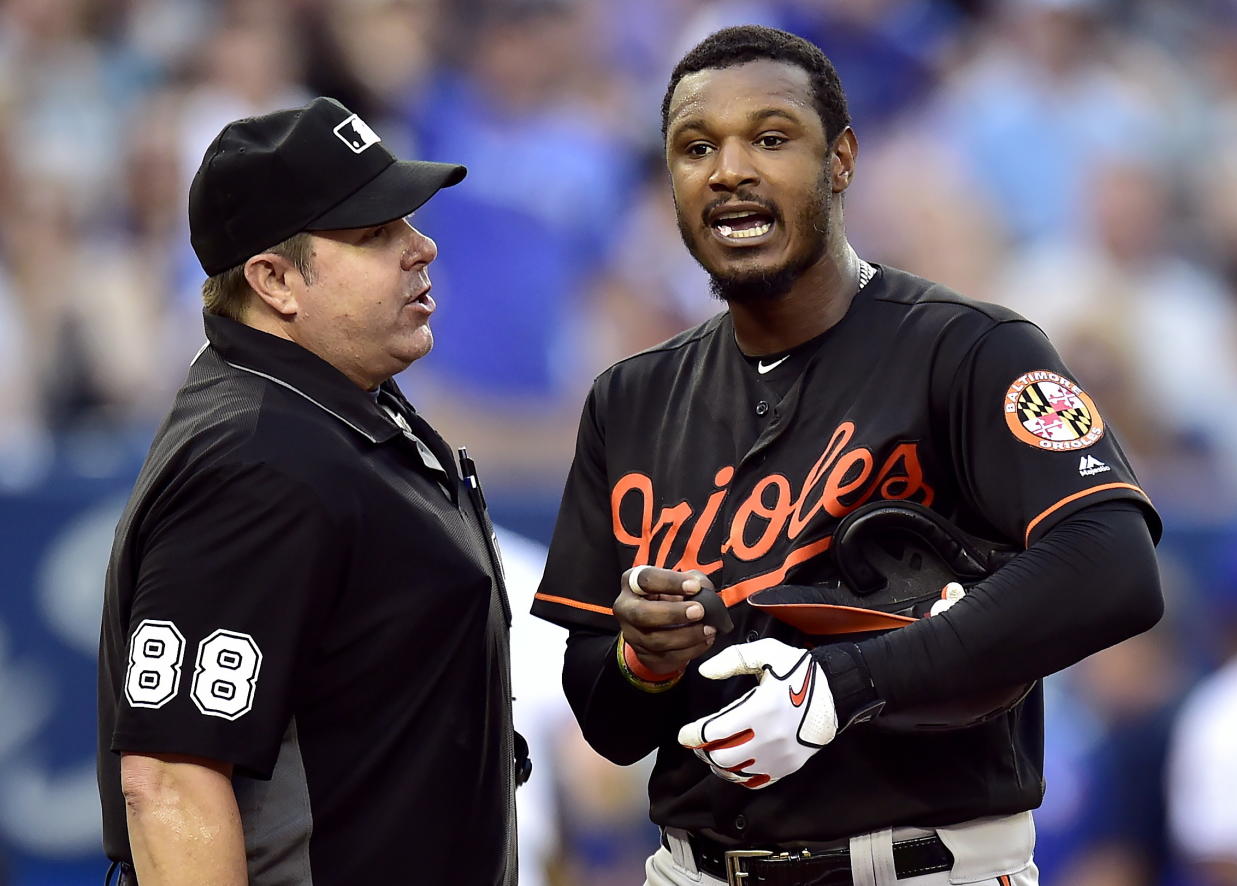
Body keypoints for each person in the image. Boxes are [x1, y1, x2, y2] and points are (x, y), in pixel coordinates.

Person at [530, 25, 1163, 886]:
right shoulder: (629, 399)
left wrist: (845, 683)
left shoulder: (971, 349)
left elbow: (1113, 566)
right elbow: (607, 718)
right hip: (695, 869)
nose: (729, 169)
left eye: (772, 137)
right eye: (695, 147)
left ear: (842, 161)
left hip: (922, 866)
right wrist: (647, 657)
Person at [97, 96, 521, 886]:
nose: (421, 247)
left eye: (410, 222)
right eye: (375, 234)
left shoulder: (333, 405)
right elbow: (169, 780)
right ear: (274, 280)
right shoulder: (255, 460)